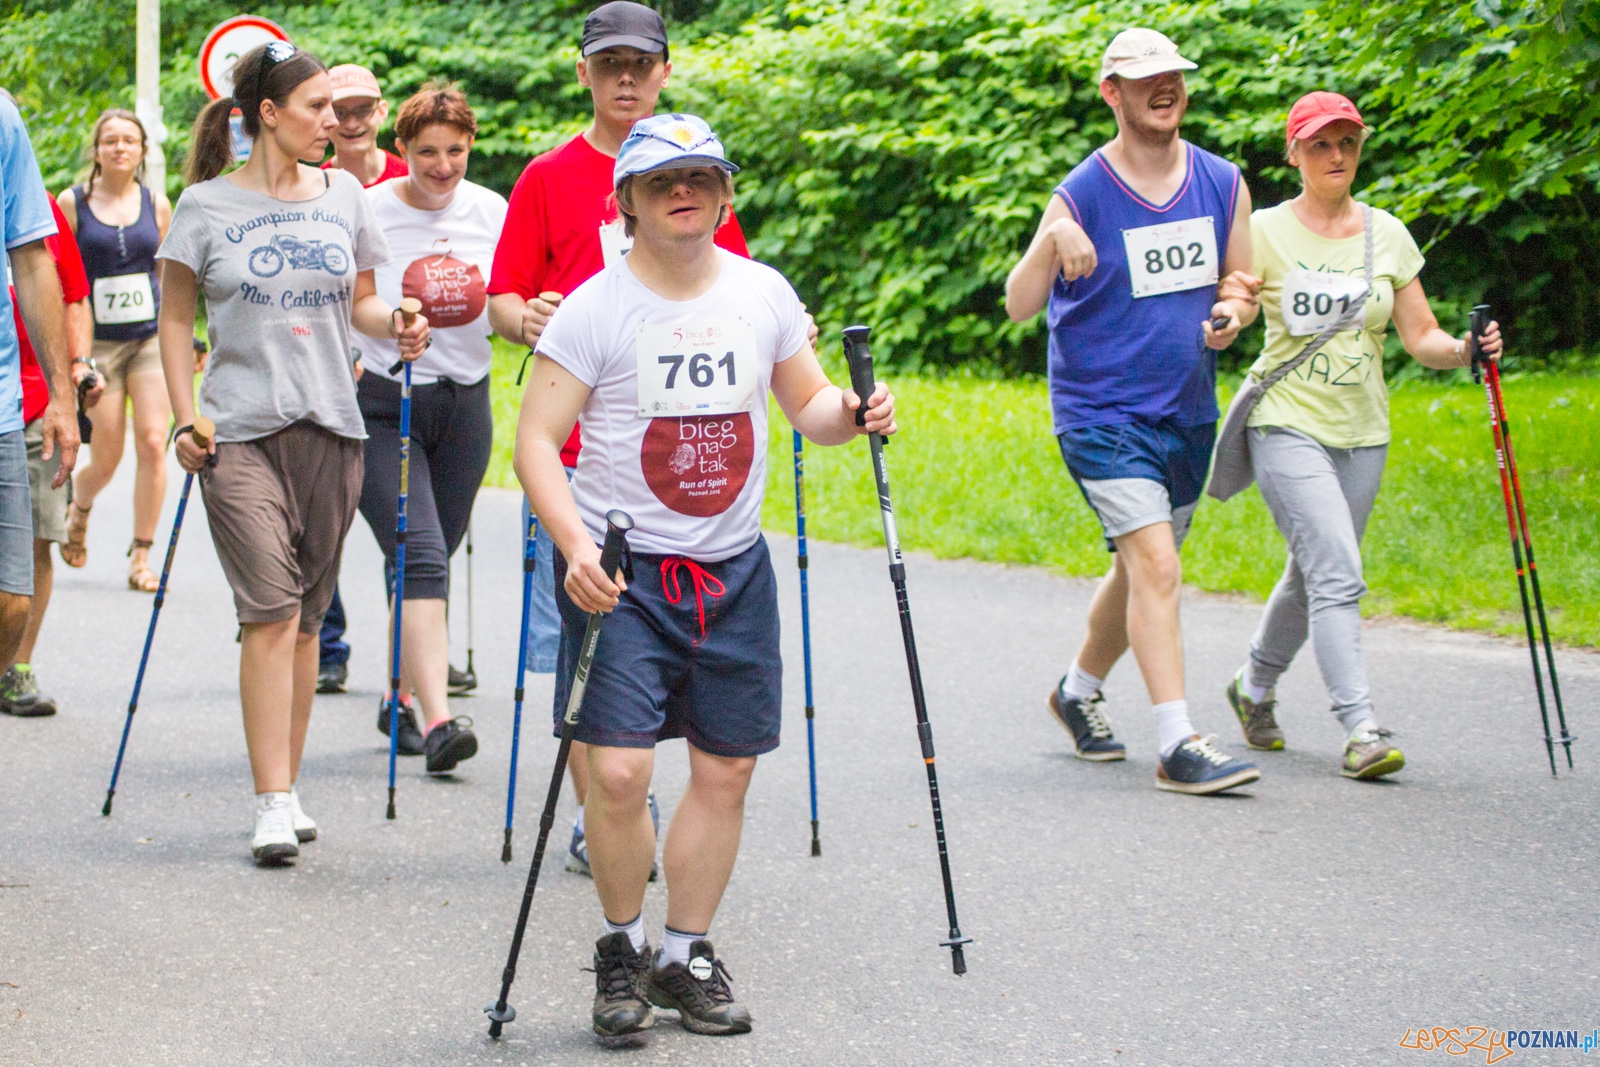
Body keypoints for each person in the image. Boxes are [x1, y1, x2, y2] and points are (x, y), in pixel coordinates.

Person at [516, 111, 894, 1040]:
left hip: (734, 571)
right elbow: (532, 443)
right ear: (630, 205)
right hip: (626, 577)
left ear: (724, 195)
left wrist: (856, 409)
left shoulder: (762, 292)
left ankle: (684, 955)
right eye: (660, 181)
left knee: (725, 770)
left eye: (700, 178)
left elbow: (807, 403)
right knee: (617, 772)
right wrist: (573, 546)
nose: (683, 191)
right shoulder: (594, 308)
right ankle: (620, 949)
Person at [488, 0, 753, 877]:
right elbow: (502, 302)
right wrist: (529, 318)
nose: (626, 77)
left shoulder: (696, 174)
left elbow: (734, 286)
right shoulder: (545, 177)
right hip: (574, 461)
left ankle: (623, 814)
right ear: (585, 74)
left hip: (676, 462)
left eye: (642, 61)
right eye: (611, 64)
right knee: (579, 659)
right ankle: (601, 810)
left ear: (666, 69)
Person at [157, 42, 427, 864]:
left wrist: (402, 320)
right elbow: (174, 321)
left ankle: (289, 784)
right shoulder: (203, 206)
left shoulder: (346, 194)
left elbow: (366, 306)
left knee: (308, 619)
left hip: (334, 426)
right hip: (237, 430)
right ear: (269, 115)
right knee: (270, 610)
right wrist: (182, 417)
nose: (333, 121)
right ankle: (269, 799)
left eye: (338, 109)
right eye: (316, 107)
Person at [1003, 28, 1262, 794]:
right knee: (1158, 563)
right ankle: (1179, 741)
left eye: (1173, 75)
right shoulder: (1081, 190)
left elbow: (1240, 277)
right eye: (1145, 78)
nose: (1165, 87)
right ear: (1111, 92)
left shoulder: (1222, 180)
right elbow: (1020, 305)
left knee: (1138, 567)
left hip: (1186, 412)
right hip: (1100, 412)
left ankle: (1075, 692)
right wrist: (1054, 237)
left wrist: (1234, 312)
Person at [1220, 92, 1502, 779]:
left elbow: (1422, 337)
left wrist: (1469, 350)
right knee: (1338, 571)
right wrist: (1228, 317)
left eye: (1346, 141)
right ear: (1295, 154)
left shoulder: (1388, 234)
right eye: (1320, 144)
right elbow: (1241, 298)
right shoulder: (1266, 230)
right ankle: (1361, 727)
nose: (1336, 155)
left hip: (1363, 430)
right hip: (1284, 418)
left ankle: (1252, 685)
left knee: (1314, 569)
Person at [355, 82, 502, 771]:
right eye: (426, 153)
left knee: (429, 561)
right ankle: (440, 720)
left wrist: (529, 316)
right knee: (421, 556)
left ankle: (397, 693)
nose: (442, 166)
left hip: (464, 405)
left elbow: (502, 300)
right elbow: (350, 303)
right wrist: (392, 324)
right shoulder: (370, 209)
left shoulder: (491, 211)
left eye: (455, 151)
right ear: (401, 150)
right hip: (388, 403)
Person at [315, 63, 410, 695]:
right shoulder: (308, 184)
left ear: (380, 112)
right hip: (323, 361)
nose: (350, 122)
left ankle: (412, 647)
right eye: (338, 110)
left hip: (391, 359)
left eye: (361, 109)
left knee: (401, 519)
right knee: (325, 515)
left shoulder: (412, 180)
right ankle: (325, 642)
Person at [55, 109, 172, 590]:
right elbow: (60, 273)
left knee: (152, 441)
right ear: (97, 150)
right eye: (111, 140)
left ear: (143, 150)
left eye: (130, 140)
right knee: (106, 455)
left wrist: (182, 334)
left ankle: (141, 557)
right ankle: (79, 508)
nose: (120, 148)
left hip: (146, 338)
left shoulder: (157, 203)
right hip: (97, 345)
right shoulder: (72, 202)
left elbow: (166, 274)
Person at [1, 193, 95, 716]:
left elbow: (74, 295)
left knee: (36, 538)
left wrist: (77, 370)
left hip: (34, 400)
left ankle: (18, 667)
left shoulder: (34, 203)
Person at [0, 91, 80, 685]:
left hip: (7, 404)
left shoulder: (2, 116)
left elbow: (33, 258)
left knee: (10, 605)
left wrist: (63, 392)